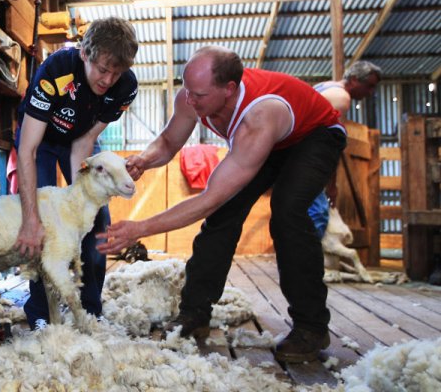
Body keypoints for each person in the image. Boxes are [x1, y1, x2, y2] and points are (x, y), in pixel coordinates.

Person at [97, 46, 347, 363]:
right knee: (222, 217)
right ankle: (194, 313)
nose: (189, 100)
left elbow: (207, 199)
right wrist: (144, 160)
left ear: (229, 90)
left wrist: (140, 228)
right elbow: (169, 142)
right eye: (186, 89)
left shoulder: (258, 117)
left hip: (315, 136)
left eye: (198, 94)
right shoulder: (192, 96)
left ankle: (311, 326)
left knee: (288, 212)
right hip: (269, 141)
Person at [14, 17, 138, 330]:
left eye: (117, 71)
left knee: (96, 223)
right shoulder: (55, 72)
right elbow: (27, 150)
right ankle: (41, 311)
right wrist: (31, 218)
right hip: (39, 142)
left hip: (78, 142)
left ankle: (90, 311)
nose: (108, 79)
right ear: (85, 53)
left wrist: (81, 200)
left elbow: (83, 143)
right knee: (41, 220)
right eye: (102, 69)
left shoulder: (125, 87)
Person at [309, 60, 382, 236]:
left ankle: (298, 261)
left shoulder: (325, 86)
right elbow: (331, 145)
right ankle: (306, 263)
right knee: (317, 215)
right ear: (355, 79)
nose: (370, 92)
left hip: (296, 155)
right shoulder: (340, 98)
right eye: (369, 86)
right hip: (307, 159)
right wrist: (331, 185)